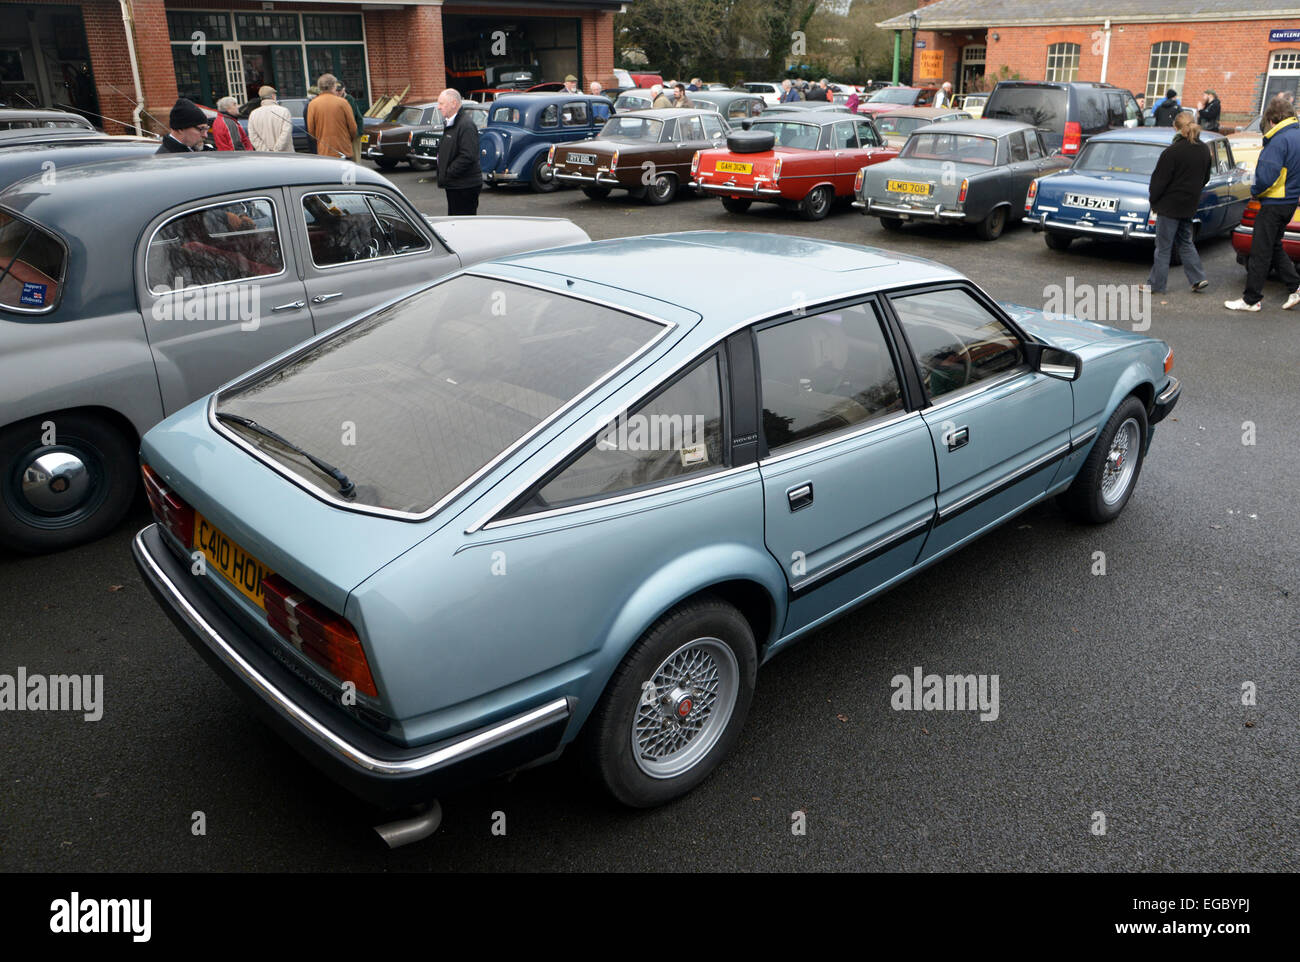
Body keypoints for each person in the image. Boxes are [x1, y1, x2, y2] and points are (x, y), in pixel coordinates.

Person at [1226, 95, 1300, 311]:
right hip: (1289, 202)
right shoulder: (1296, 135)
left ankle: (1251, 299)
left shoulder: (1278, 140)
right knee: (1274, 246)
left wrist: (1255, 191)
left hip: (1274, 202)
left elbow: (1268, 175)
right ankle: (1295, 287)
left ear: (1271, 120)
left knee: (1260, 251)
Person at [1146, 111, 1212, 294]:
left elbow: (1159, 182)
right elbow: (1205, 177)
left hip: (1169, 205)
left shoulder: (1172, 152)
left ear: (1176, 127)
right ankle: (1198, 278)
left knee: (1163, 247)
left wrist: (1154, 200)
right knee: (1185, 241)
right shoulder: (1204, 149)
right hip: (1189, 204)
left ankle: (1156, 284)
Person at [435, 88, 482, 216]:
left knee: (463, 225)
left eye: (441, 103)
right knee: (454, 221)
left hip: (464, 187)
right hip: (454, 185)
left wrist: (449, 173)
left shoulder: (466, 125)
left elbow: (468, 155)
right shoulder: (451, 123)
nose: (439, 107)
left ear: (454, 103)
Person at [306, 73, 356, 158]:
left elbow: (311, 130)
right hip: (344, 149)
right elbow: (353, 127)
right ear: (334, 86)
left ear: (319, 87)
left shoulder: (312, 104)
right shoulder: (343, 102)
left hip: (324, 151)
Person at [248, 85, 293, 152]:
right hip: (285, 154)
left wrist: (265, 150)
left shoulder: (253, 114)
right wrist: (277, 149)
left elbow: (253, 136)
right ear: (273, 96)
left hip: (265, 157)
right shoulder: (284, 111)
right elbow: (286, 133)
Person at [339, 82, 365, 163]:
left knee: (355, 156)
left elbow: (351, 117)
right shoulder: (338, 99)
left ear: (344, 89)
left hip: (355, 132)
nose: (338, 92)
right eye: (336, 90)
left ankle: (357, 172)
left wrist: (355, 133)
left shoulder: (349, 99)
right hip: (346, 132)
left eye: (339, 90)